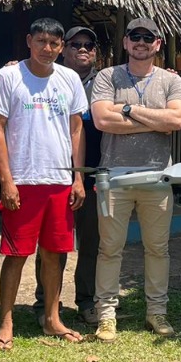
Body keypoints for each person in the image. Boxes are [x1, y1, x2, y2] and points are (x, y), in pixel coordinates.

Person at [0, 17, 87, 350]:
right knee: (16, 254)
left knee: (54, 253)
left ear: (62, 47)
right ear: (29, 41)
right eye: (41, 41)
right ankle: (6, 321)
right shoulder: (9, 76)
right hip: (23, 179)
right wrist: (7, 181)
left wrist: (78, 177)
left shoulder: (70, 78)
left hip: (59, 180)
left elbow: (76, 130)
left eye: (55, 44)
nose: (48, 49)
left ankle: (52, 318)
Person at [90, 17, 181, 341]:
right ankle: (106, 315)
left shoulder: (171, 82)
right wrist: (155, 121)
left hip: (158, 176)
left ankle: (156, 313)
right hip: (114, 175)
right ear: (126, 42)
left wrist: (129, 110)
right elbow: (103, 119)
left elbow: (176, 120)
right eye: (136, 36)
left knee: (158, 249)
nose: (142, 42)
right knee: (109, 249)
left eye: (149, 37)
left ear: (158, 43)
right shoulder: (108, 76)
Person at [32, 25, 103, 328]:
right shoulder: (48, 80)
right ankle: (46, 302)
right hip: (56, 173)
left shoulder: (108, 82)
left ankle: (86, 301)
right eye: (75, 44)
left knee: (91, 243)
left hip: (94, 174)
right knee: (52, 243)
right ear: (64, 49)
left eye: (89, 44)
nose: (82, 49)